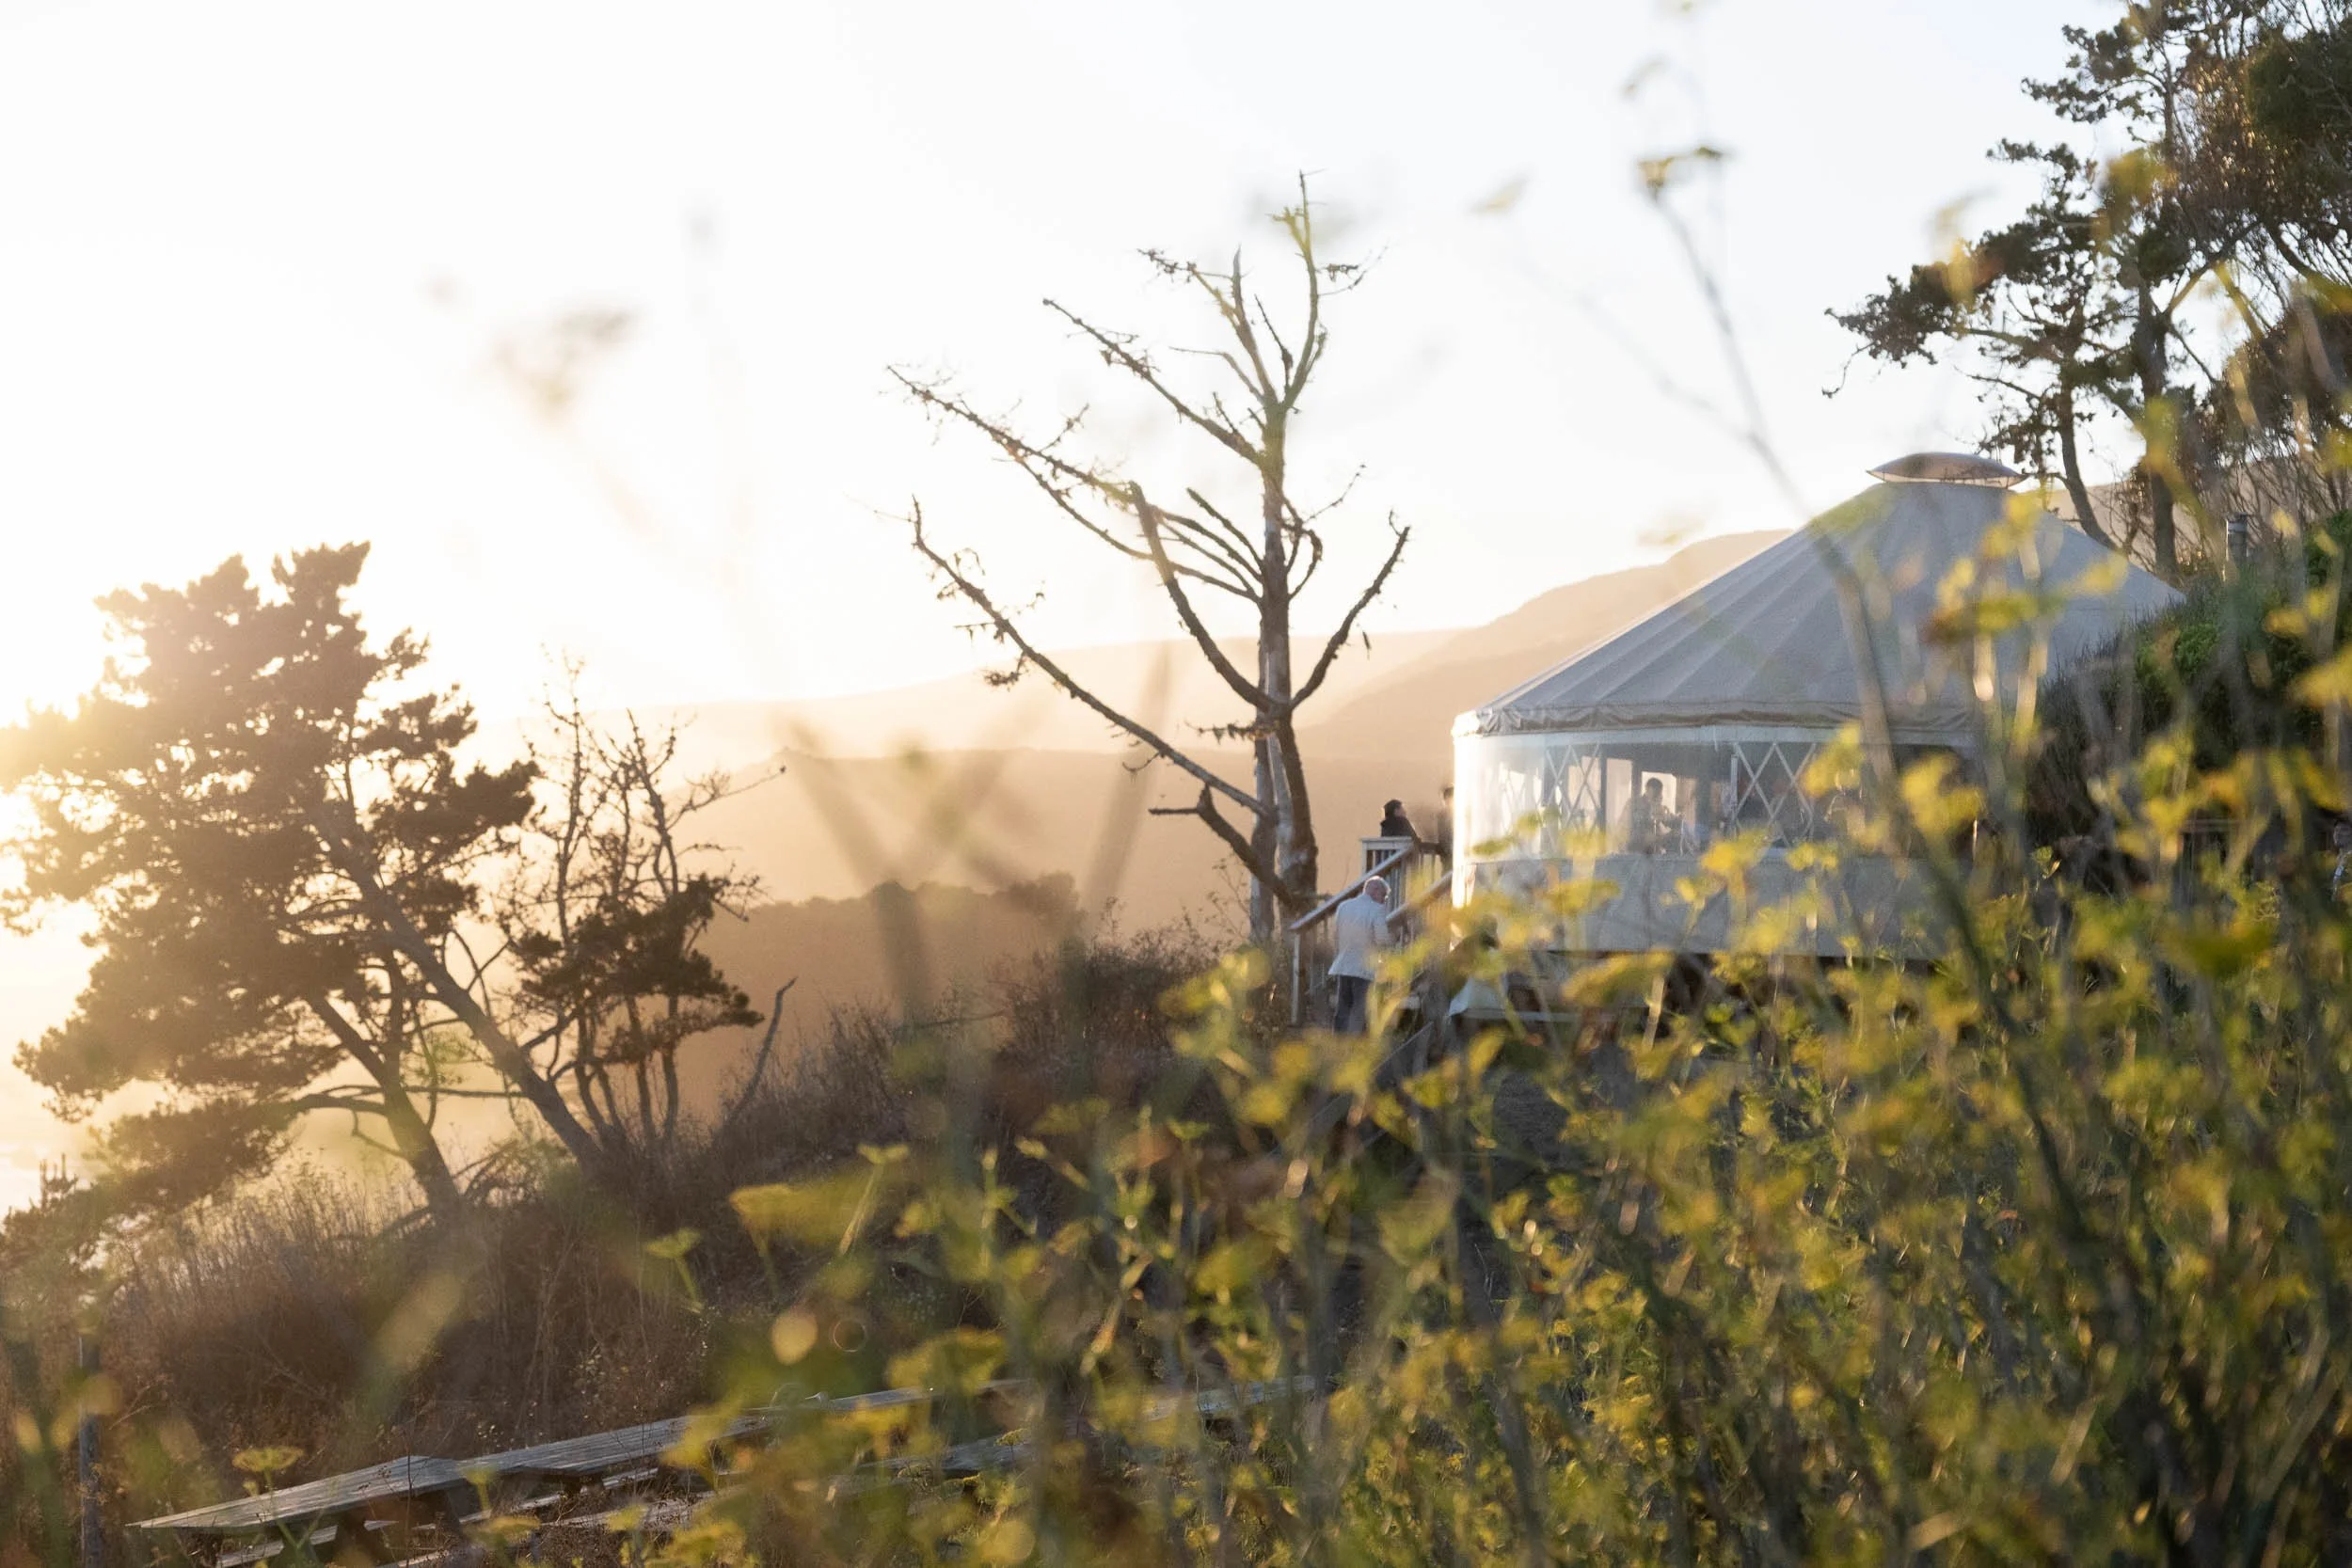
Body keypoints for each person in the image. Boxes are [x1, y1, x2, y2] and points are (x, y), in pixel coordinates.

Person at [1328, 875, 1390, 1035]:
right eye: (1383, 896)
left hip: (1343, 965)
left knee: (1342, 1008)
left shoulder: (1343, 906)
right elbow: (1382, 939)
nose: (1383, 900)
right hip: (1364, 968)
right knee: (1360, 1009)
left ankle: (1338, 1043)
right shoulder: (1377, 909)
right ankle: (1357, 1047)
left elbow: (1335, 934)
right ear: (1375, 891)